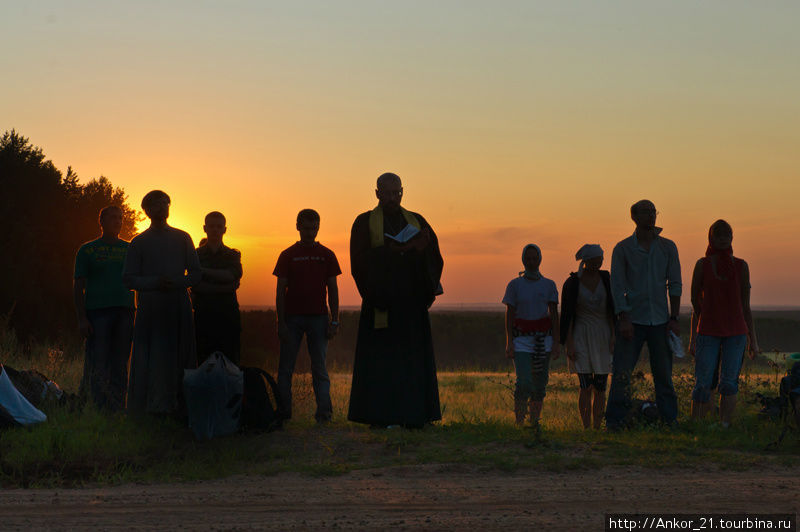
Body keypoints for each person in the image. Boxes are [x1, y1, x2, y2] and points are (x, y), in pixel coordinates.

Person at [348, 173, 444, 428]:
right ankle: (381, 417)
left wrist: (421, 249)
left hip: (411, 304)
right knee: (383, 365)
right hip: (382, 303)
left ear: (402, 192)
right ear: (377, 193)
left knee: (412, 363)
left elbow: (434, 259)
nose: (392, 198)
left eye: (397, 193)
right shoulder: (365, 222)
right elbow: (360, 262)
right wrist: (395, 251)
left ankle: (416, 416)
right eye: (387, 193)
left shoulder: (416, 220)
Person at [123, 190, 201, 415]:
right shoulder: (138, 242)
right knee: (150, 357)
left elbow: (196, 274)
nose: (161, 207)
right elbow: (128, 279)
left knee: (181, 356)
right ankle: (148, 408)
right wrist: (154, 283)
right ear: (146, 211)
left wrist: (177, 282)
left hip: (178, 307)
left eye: (164, 203)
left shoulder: (183, 237)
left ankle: (182, 408)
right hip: (151, 309)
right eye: (155, 204)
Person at [606, 200, 682, 430]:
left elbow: (675, 283)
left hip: (660, 319)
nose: (651, 216)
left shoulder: (667, 247)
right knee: (622, 372)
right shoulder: (623, 249)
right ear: (634, 216)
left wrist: (674, 318)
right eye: (646, 212)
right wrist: (624, 318)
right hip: (633, 320)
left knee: (664, 375)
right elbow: (618, 286)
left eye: (653, 212)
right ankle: (615, 421)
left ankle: (669, 421)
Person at [688, 220, 759, 427]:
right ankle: (698, 424)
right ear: (710, 238)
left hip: (736, 332)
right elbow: (695, 301)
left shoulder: (741, 266)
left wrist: (753, 340)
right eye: (718, 234)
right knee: (702, 381)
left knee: (728, 382)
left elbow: (745, 305)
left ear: (732, 238)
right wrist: (695, 336)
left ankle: (724, 424)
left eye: (726, 234)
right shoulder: (702, 265)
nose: (722, 238)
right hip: (708, 331)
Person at [273, 209, 341, 423]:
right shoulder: (287, 255)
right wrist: (280, 322)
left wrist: (335, 320)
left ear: (318, 227)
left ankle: (324, 414)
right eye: (306, 228)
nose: (310, 232)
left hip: (319, 318)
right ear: (298, 227)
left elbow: (333, 289)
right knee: (285, 368)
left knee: (319, 367)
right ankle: (284, 414)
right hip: (292, 319)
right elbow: (280, 291)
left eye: (314, 228)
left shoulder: (327, 254)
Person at [73, 205, 135, 410]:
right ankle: (98, 406)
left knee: (120, 361)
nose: (117, 221)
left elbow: (138, 280)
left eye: (120, 218)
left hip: (125, 312)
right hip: (97, 313)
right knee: (98, 361)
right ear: (102, 222)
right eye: (113, 217)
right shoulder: (87, 250)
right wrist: (82, 318)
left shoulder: (129, 249)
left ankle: (117, 406)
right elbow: (78, 286)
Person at [503, 244, 560, 426]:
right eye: (528, 259)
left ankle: (534, 422)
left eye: (534, 258)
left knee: (540, 383)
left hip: (543, 340)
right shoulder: (514, 285)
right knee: (524, 382)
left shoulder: (549, 285)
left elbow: (554, 315)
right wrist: (509, 341)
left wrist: (557, 342)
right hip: (521, 340)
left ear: (540, 259)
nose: (531, 262)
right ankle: (519, 421)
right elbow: (510, 314)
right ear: (523, 260)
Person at [560, 244, 615, 429]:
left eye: (600, 260)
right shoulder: (573, 282)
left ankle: (597, 427)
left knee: (600, 386)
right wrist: (569, 343)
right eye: (595, 261)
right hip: (581, 335)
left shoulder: (607, 279)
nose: (598, 264)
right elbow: (567, 315)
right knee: (585, 386)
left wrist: (614, 336)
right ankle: (586, 427)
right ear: (586, 261)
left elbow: (611, 310)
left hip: (603, 335)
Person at [191, 211, 243, 365]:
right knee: (202, 360)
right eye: (212, 226)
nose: (215, 230)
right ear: (204, 228)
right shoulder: (195, 255)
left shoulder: (232, 255)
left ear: (224, 229)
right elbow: (194, 284)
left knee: (230, 361)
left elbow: (232, 276)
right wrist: (225, 287)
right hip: (203, 315)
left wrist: (203, 272)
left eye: (218, 226)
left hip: (228, 316)